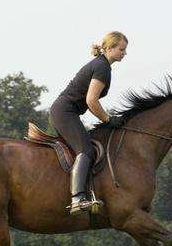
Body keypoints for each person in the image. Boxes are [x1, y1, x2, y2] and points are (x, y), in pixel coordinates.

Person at [50, 31, 128, 215]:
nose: (125, 53)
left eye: (125, 50)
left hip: (67, 112)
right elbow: (91, 100)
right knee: (85, 150)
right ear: (109, 48)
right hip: (64, 112)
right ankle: (77, 198)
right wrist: (108, 119)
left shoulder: (102, 65)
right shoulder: (102, 67)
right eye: (121, 49)